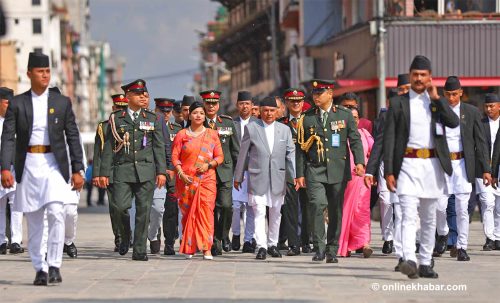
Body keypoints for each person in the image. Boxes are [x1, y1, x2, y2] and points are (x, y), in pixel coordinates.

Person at [0, 52, 84, 285]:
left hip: (54, 164)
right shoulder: (17, 104)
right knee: (35, 219)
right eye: (40, 71)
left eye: (47, 71)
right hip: (28, 164)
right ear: (29, 74)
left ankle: (55, 264)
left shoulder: (61, 102)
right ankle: (40, 267)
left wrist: (78, 169)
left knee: (57, 213)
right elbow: (8, 138)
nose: (45, 75)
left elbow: (73, 137)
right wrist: (5, 168)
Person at [384, 55, 460, 279]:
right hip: (407, 164)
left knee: (429, 217)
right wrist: (389, 170)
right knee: (407, 213)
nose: (418, 79)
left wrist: (436, 98)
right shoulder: (398, 103)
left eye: (423, 75)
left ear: (430, 77)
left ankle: (425, 262)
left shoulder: (436, 102)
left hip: (432, 165)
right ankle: (409, 258)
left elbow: (453, 122)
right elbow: (389, 138)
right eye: (415, 74)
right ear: (410, 75)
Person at [296, 79, 365, 264]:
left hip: (338, 170)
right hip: (314, 169)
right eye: (314, 93)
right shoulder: (307, 117)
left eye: (320, 93)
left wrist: (360, 162)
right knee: (317, 206)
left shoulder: (344, 115)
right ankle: (319, 248)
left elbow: (355, 140)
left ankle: (332, 249)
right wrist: (300, 173)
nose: (316, 97)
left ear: (330, 94)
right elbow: (301, 148)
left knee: (335, 210)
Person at [98, 79, 167, 261]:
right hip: (123, 170)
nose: (141, 96)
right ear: (127, 97)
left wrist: (161, 171)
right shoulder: (116, 119)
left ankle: (139, 250)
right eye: (137, 93)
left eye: (143, 93)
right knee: (119, 207)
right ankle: (125, 234)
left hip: (146, 171)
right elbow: (108, 148)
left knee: (144, 210)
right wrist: (104, 173)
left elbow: (159, 147)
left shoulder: (153, 119)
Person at [433, 76, 491, 261]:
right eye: (448, 94)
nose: (451, 98)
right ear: (444, 94)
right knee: (440, 207)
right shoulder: (437, 112)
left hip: (463, 164)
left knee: (462, 208)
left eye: (454, 94)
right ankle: (442, 233)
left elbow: (481, 143)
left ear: (461, 93)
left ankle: (462, 246)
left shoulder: (471, 112)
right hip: (442, 165)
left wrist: (486, 169)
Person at [234, 96, 296, 260]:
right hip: (257, 177)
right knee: (259, 211)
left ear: (277, 112)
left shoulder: (284, 130)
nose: (269, 113)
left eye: (272, 110)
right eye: (266, 110)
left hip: (278, 177)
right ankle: (261, 246)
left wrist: (295, 176)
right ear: (260, 111)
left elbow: (291, 155)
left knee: (275, 212)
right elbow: (243, 154)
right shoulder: (252, 128)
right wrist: (238, 175)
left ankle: (272, 244)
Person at [172, 101, 223, 259]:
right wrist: (180, 173)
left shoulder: (212, 134)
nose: (198, 115)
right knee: (188, 214)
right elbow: (175, 157)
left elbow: (220, 157)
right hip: (186, 180)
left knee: (206, 213)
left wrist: (209, 165)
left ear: (205, 115)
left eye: (201, 113)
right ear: (189, 115)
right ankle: (190, 247)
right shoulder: (182, 135)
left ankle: (206, 248)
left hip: (207, 179)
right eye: (195, 113)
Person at [202, 90, 240, 255]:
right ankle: (213, 241)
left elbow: (235, 150)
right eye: (208, 103)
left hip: (224, 172)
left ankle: (222, 235)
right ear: (204, 104)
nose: (211, 106)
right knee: (208, 209)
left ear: (218, 105)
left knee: (226, 206)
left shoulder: (227, 123)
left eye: (214, 103)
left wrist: (239, 173)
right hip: (204, 174)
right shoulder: (198, 122)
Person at [92, 93, 129, 252]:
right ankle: (119, 236)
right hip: (111, 171)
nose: (120, 110)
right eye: (118, 107)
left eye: (124, 108)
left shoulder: (132, 124)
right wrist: (97, 174)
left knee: (128, 207)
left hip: (129, 170)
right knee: (115, 207)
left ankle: (129, 234)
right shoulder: (104, 126)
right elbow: (98, 151)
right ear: (113, 108)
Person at [277, 88, 312, 256]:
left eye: (299, 101)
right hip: (288, 170)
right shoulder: (281, 124)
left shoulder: (310, 121)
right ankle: (293, 244)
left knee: (308, 206)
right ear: (286, 103)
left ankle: (306, 241)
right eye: (292, 101)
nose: (296, 103)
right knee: (290, 208)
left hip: (308, 169)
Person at [338, 107, 374, 257]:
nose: (353, 120)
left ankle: (365, 243)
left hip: (363, 179)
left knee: (363, 211)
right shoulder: (338, 135)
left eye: (356, 117)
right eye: (350, 117)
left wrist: (372, 172)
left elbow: (374, 153)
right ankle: (345, 246)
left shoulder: (365, 134)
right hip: (345, 179)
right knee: (347, 211)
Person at [154, 98, 183, 255]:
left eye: (168, 111)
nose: (165, 114)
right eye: (162, 111)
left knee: (171, 210)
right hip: (155, 174)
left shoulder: (176, 129)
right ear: (156, 110)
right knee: (156, 209)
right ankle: (155, 235)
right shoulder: (149, 126)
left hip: (172, 175)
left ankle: (169, 243)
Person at [231, 91, 258, 253]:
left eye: (247, 103)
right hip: (236, 170)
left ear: (252, 105)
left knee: (251, 206)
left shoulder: (258, 123)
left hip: (253, 170)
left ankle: (248, 239)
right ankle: (235, 233)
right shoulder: (231, 123)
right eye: (241, 103)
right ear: (237, 105)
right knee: (235, 206)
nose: (244, 106)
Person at [0, 87, 24, 255]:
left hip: (15, 169)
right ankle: (1, 240)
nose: (9, 106)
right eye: (7, 102)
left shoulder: (18, 121)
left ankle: (16, 240)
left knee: (16, 206)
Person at [478, 93, 500, 251]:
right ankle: (490, 238)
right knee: (487, 203)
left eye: (492, 106)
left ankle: (498, 237)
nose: (489, 109)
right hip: (483, 170)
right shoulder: (480, 122)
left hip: (499, 169)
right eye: (486, 106)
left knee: (499, 206)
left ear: (499, 106)